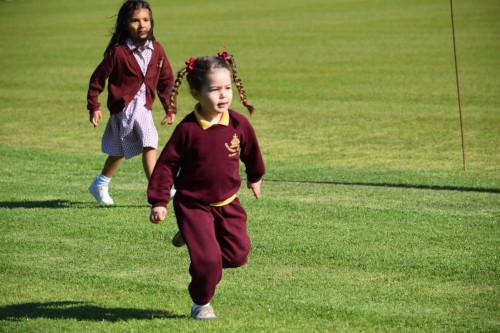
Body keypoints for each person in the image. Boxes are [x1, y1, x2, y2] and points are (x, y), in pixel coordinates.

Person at [147, 52, 265, 320]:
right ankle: (201, 303)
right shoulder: (187, 130)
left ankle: (196, 245)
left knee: (238, 255)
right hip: (193, 204)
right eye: (214, 89)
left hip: (228, 202)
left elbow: (252, 152)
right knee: (209, 261)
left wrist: (255, 176)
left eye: (227, 88)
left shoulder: (238, 124)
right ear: (196, 93)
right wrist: (159, 201)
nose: (223, 95)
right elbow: (166, 166)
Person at [86, 0, 176, 205]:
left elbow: (166, 81)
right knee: (149, 138)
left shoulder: (157, 50)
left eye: (145, 20)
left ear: (151, 22)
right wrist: (94, 106)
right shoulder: (118, 52)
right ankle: (157, 188)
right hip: (124, 107)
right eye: (135, 20)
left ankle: (100, 183)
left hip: (144, 106)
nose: (141, 24)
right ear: (125, 23)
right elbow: (97, 79)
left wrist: (170, 108)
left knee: (119, 150)